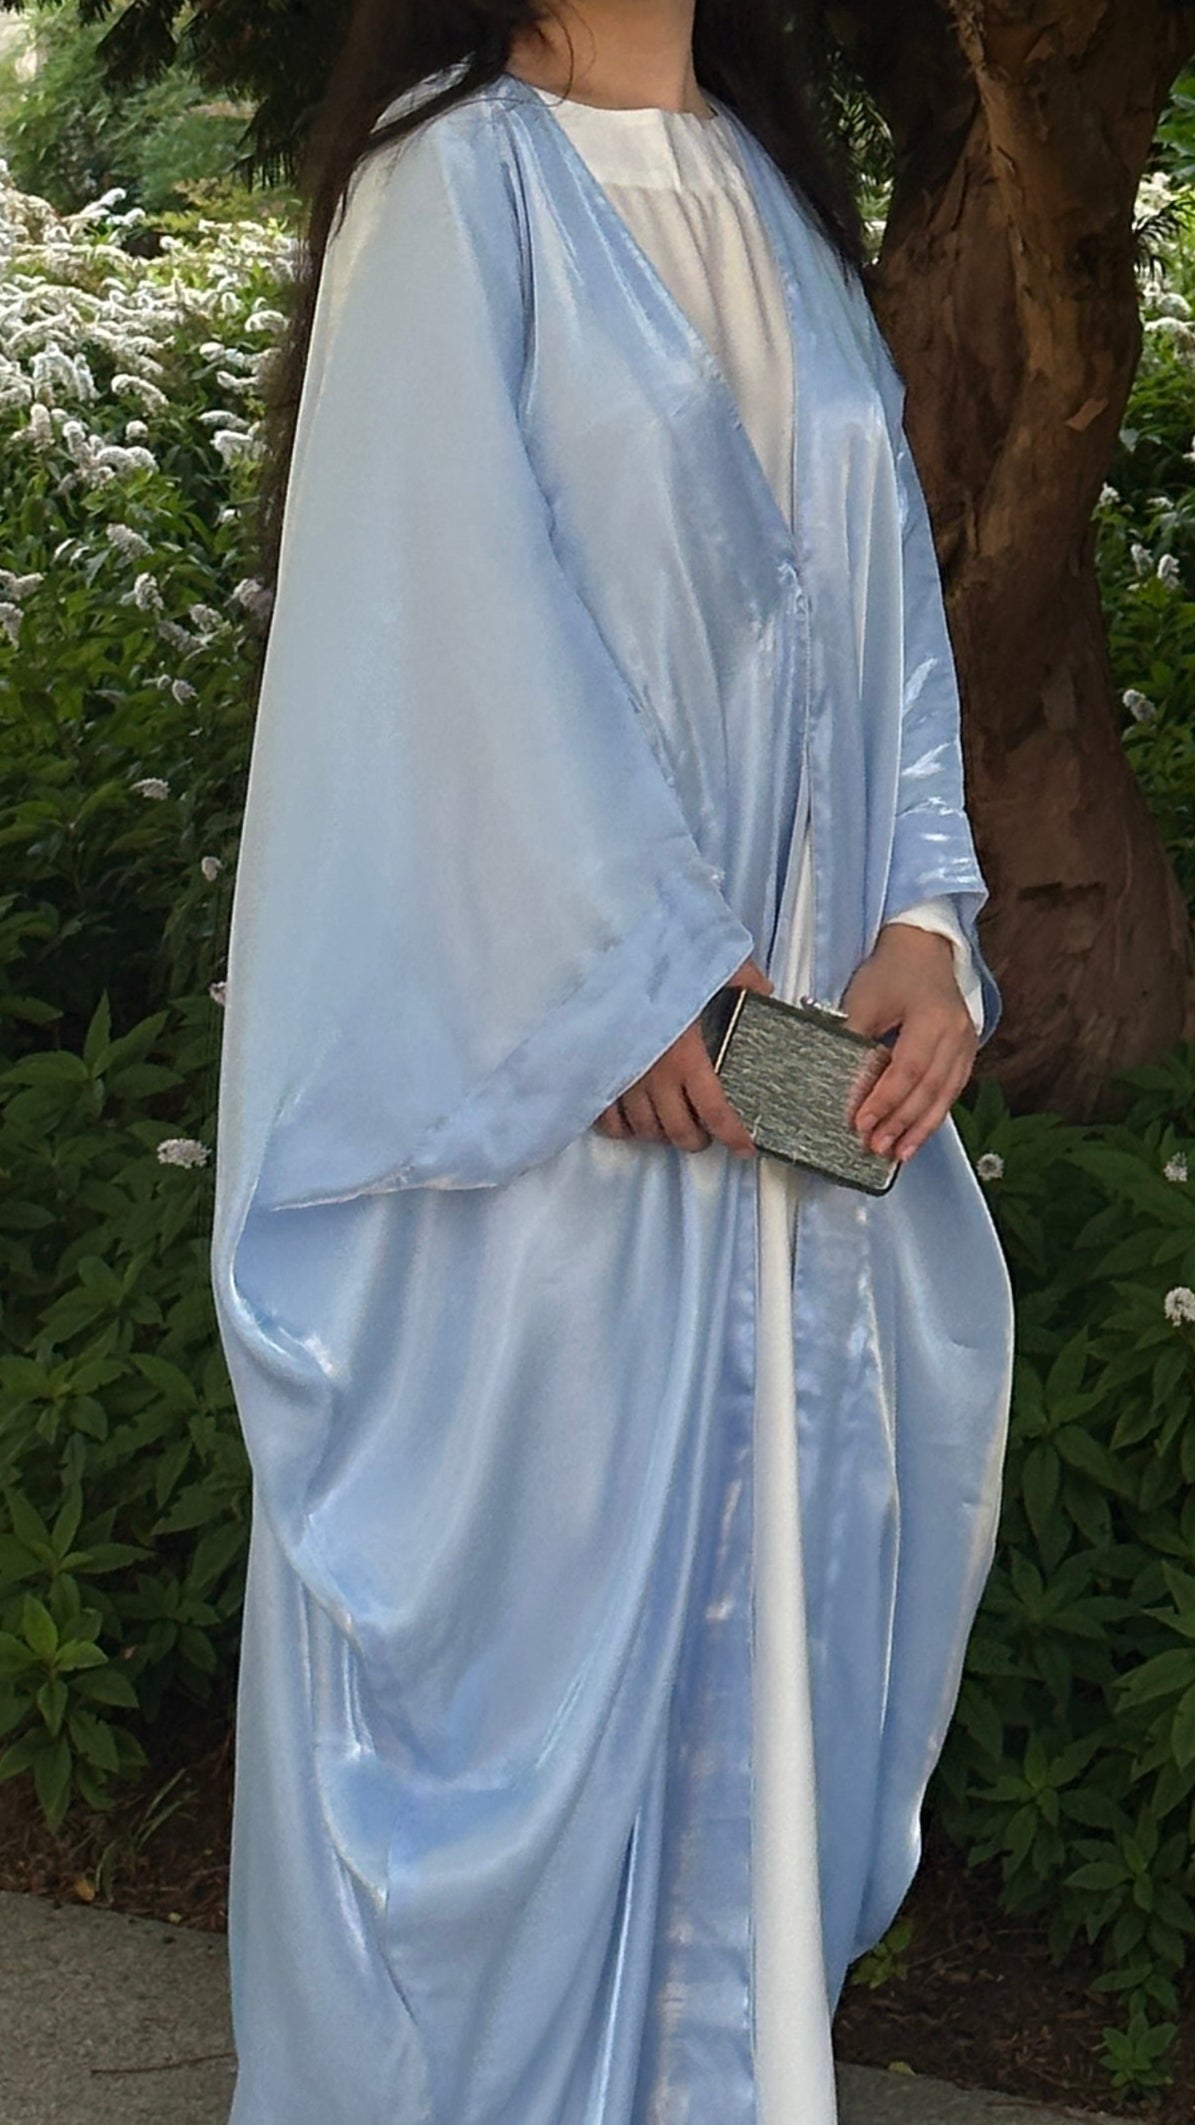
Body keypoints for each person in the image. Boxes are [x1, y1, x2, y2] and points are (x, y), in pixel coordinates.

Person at [209, 4, 1016, 2120]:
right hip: (545, 1181)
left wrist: (929, 926)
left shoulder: (778, 201)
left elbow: (887, 644)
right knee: (528, 1782)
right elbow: (418, 650)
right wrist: (628, 976)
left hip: (775, 1145)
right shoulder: (446, 187)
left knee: (745, 1757)